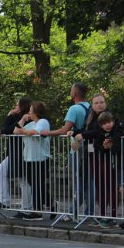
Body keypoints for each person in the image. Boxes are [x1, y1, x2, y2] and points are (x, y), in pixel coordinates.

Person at [41, 82, 92, 217]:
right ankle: (89, 212)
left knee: (78, 181)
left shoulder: (74, 109)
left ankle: (73, 212)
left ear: (74, 93)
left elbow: (64, 130)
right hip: (90, 148)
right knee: (88, 181)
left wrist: (47, 133)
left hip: (77, 149)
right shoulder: (90, 107)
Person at [78, 110, 124, 226]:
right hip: (101, 162)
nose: (107, 125)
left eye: (109, 122)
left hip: (113, 165)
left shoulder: (117, 131)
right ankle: (102, 215)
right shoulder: (99, 131)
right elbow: (91, 135)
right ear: (101, 125)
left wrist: (111, 146)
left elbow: (118, 146)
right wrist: (104, 147)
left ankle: (113, 217)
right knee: (101, 189)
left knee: (112, 189)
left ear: (113, 121)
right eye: (104, 123)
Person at [0, 97, 32, 211]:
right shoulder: (15, 117)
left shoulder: (27, 118)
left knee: (23, 179)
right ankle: (4, 201)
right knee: (0, 171)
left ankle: (26, 207)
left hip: (23, 152)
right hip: (14, 153)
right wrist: (9, 115)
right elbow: (5, 128)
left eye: (17, 105)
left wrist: (9, 121)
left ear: (23, 106)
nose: (15, 107)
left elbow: (11, 129)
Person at [14, 101, 52, 220]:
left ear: (36, 112)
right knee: (33, 183)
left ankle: (37, 212)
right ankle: (50, 203)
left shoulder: (42, 122)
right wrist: (22, 120)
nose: (29, 113)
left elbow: (33, 132)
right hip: (29, 157)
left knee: (37, 185)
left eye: (30, 111)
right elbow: (16, 131)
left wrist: (24, 132)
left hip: (40, 158)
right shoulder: (32, 123)